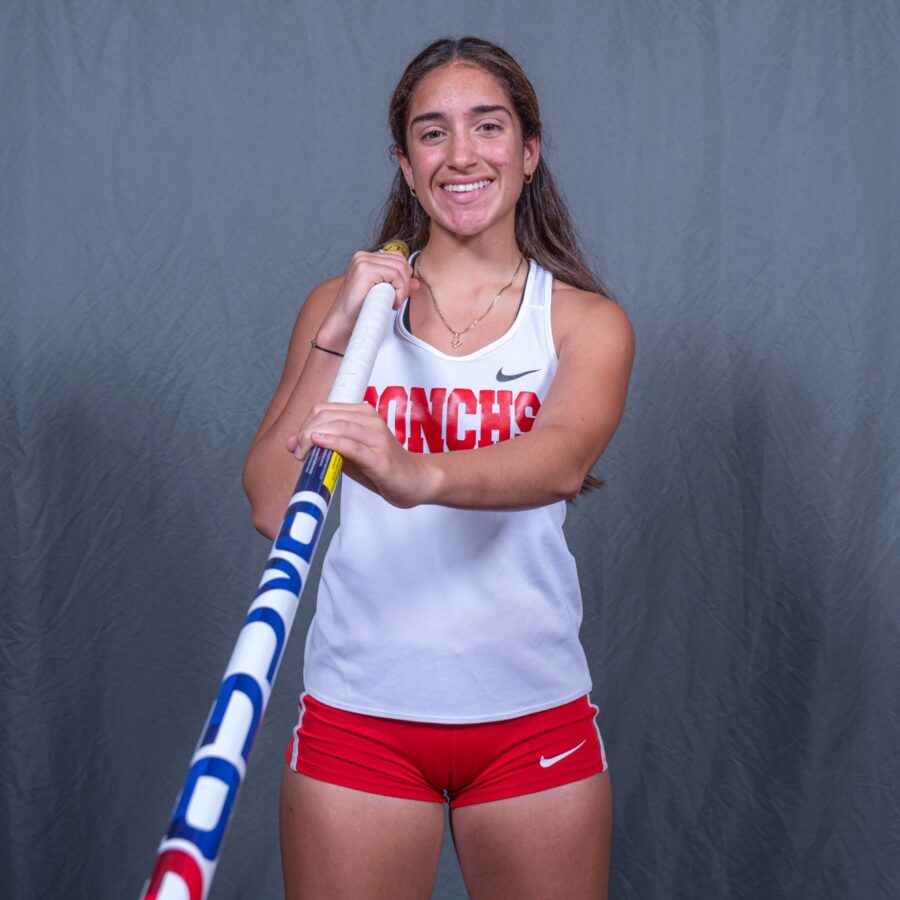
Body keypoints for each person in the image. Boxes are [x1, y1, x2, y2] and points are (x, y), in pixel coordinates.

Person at [242, 35, 634, 900]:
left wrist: (417, 475)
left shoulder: (581, 321)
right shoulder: (341, 308)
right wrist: (341, 329)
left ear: (528, 153)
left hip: (531, 716)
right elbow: (276, 503)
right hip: (361, 715)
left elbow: (561, 461)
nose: (462, 154)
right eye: (433, 132)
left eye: (488, 127)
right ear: (405, 162)